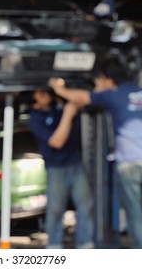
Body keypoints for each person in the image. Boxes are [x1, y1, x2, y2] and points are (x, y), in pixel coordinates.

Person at [48, 53, 142, 249]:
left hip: (129, 163)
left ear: (108, 78)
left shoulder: (113, 95)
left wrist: (59, 88)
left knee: (134, 210)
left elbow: (82, 97)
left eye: (100, 78)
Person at [28, 89, 94, 249]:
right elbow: (57, 141)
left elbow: (79, 101)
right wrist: (68, 115)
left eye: (46, 91)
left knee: (86, 204)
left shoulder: (58, 108)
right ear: (33, 95)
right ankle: (54, 245)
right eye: (40, 92)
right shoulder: (35, 118)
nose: (45, 95)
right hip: (56, 167)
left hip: (75, 163)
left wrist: (63, 92)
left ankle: (86, 244)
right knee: (56, 208)